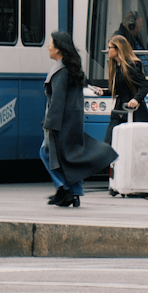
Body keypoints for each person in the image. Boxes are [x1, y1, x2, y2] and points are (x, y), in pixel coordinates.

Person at [41, 31, 116, 207]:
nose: (48, 47)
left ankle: (64, 188)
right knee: (70, 158)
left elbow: (57, 101)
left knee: (46, 153)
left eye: (51, 44)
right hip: (72, 121)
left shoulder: (60, 71)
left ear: (58, 49)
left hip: (61, 123)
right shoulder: (71, 69)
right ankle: (72, 193)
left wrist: (50, 124)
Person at [104, 34, 148, 144]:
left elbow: (145, 86)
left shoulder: (130, 67)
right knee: (111, 141)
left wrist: (136, 99)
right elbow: (119, 89)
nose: (107, 50)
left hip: (131, 111)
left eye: (110, 48)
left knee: (114, 142)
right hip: (120, 110)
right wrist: (103, 91)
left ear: (118, 49)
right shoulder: (118, 66)